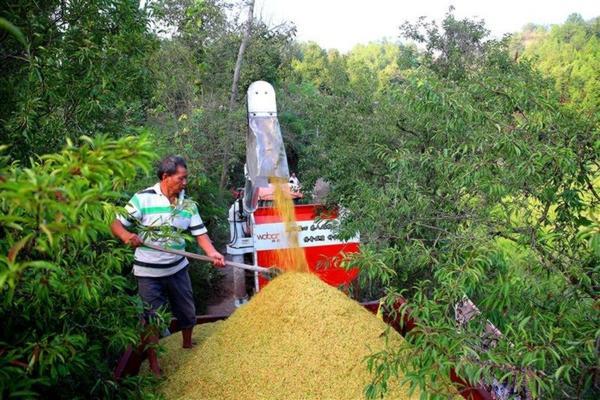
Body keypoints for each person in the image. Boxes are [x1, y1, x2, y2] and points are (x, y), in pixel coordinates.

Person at [110, 155, 225, 376]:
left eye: (186, 179)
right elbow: (115, 222)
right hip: (148, 273)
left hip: (177, 268)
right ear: (166, 177)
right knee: (151, 319)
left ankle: (187, 344)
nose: (185, 183)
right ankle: (154, 365)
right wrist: (126, 235)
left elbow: (200, 233)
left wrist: (212, 253)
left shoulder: (188, 204)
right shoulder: (142, 199)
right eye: (181, 179)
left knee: (187, 311)